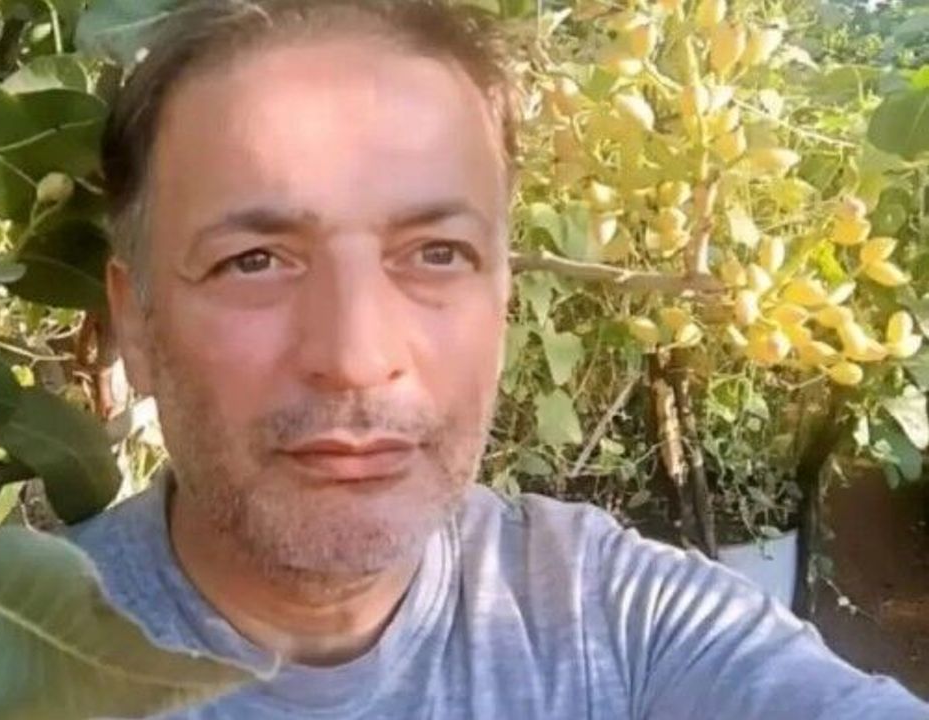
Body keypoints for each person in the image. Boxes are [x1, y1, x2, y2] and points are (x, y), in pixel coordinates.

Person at [73, 0, 929, 717]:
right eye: (254, 261)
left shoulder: (622, 629)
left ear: (502, 300)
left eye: (437, 254)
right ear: (135, 326)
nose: (357, 357)